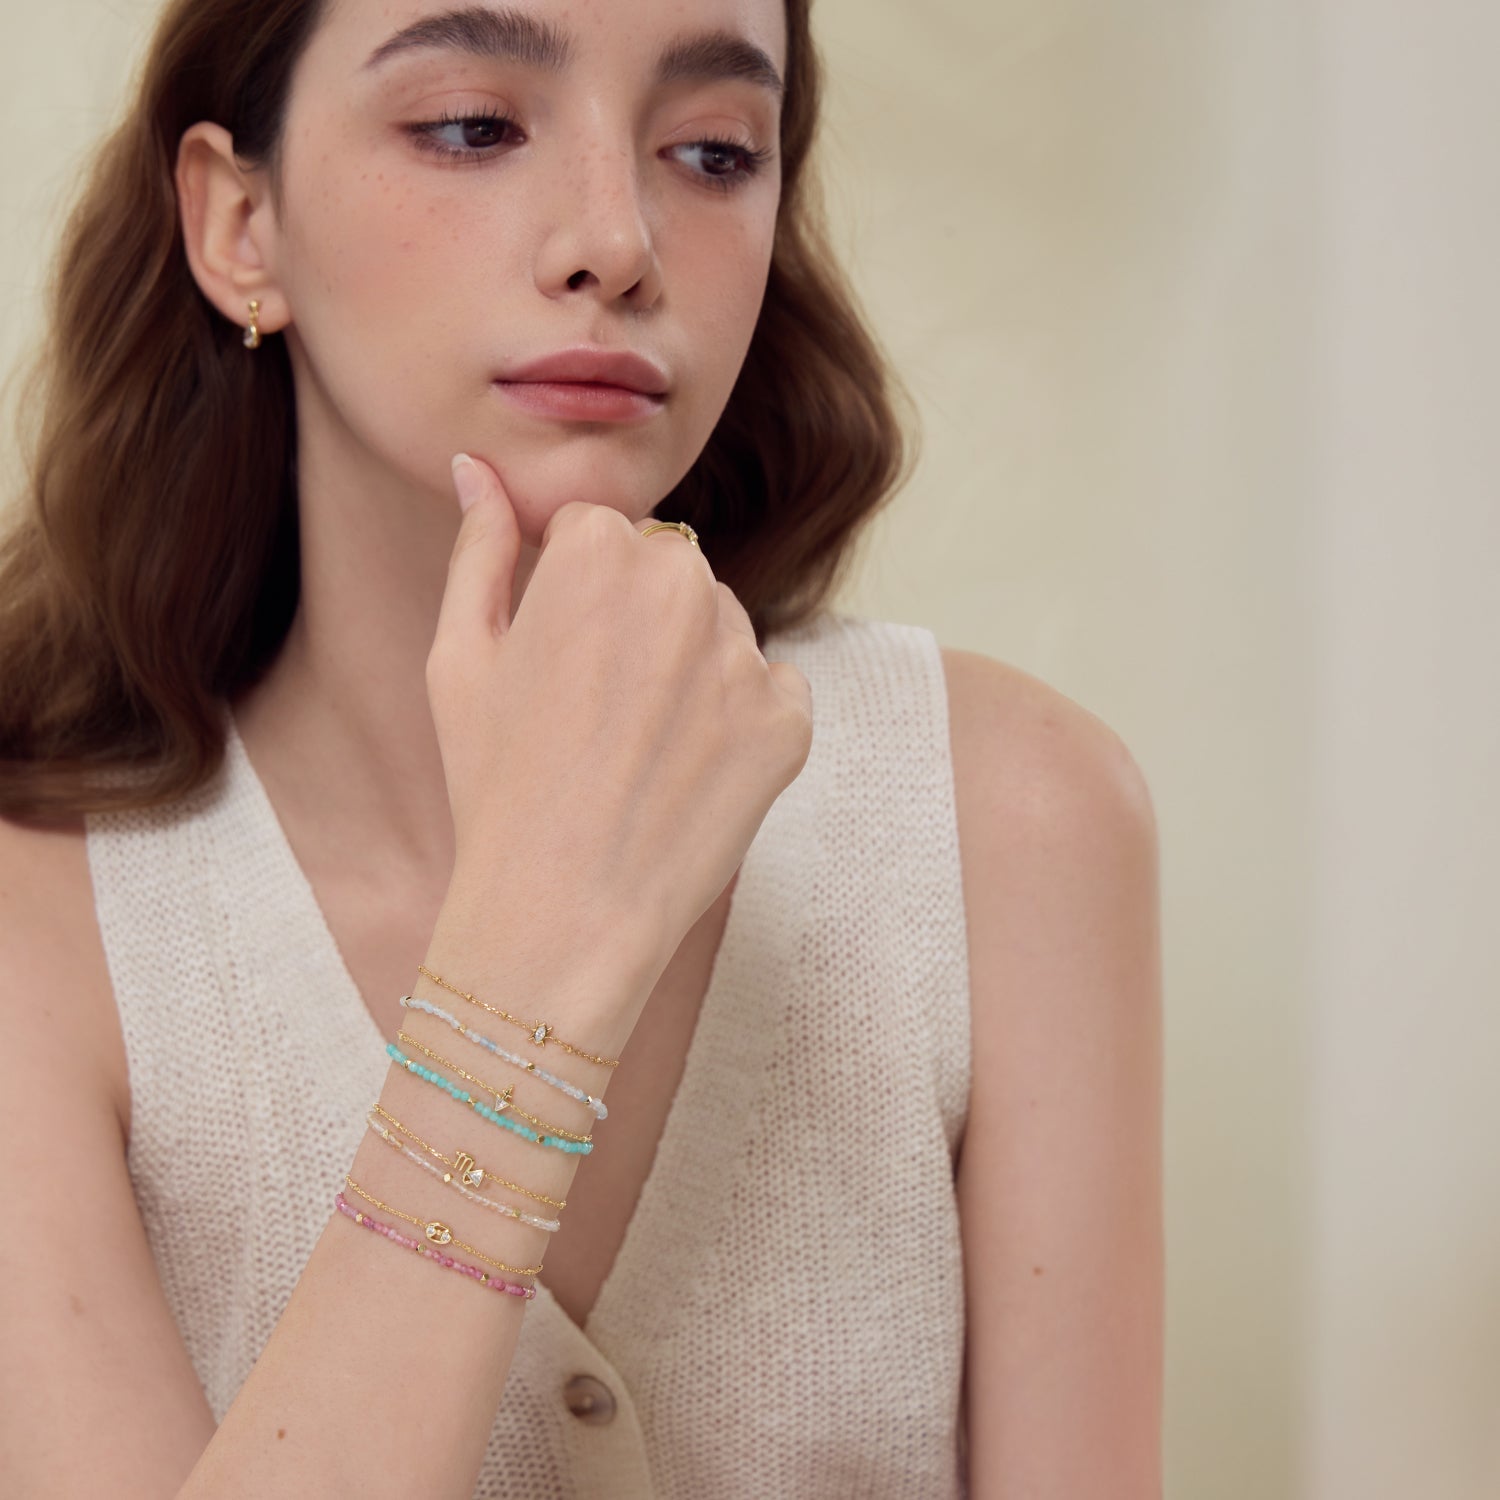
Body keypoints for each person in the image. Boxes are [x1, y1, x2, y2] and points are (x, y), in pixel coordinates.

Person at [0, 0, 1164, 1495]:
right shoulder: (47, 925)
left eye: (714, 151)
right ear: (241, 224)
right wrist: (532, 963)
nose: (618, 241)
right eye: (473, 127)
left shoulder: (1006, 821)